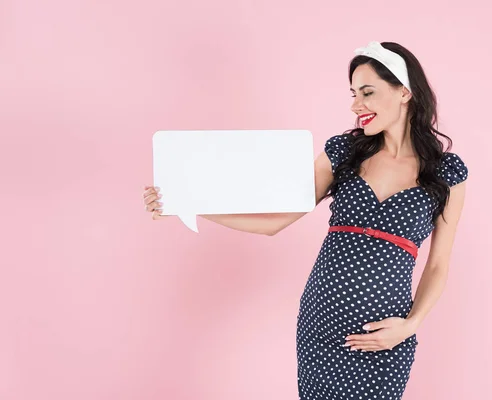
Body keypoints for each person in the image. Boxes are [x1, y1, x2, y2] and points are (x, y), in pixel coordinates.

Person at [142, 41, 468, 400]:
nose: (356, 104)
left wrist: (410, 326)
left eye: (368, 92)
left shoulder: (447, 173)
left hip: (384, 337)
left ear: (404, 92)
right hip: (322, 324)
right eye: (354, 93)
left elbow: (438, 265)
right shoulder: (343, 152)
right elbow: (275, 220)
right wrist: (189, 202)